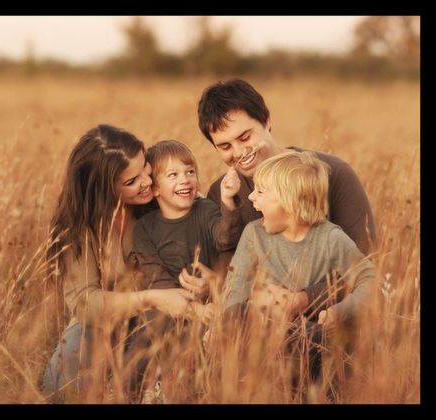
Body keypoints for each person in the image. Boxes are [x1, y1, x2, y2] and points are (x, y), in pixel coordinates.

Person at [41, 124, 203, 403]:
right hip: (104, 323)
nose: (146, 182)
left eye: (145, 168)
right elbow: (85, 303)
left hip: (166, 321)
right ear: (103, 189)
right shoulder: (79, 227)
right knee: (64, 385)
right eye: (130, 182)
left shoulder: (161, 201)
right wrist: (152, 298)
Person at [195, 78, 377, 319]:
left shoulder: (332, 173)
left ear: (267, 121)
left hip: (327, 321)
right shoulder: (222, 192)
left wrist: (303, 299)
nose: (238, 152)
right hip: (259, 323)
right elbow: (232, 274)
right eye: (225, 146)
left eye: (245, 137)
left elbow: (368, 265)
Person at [217, 151, 375, 390]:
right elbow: (236, 283)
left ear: (289, 202)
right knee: (238, 313)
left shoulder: (330, 238)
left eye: (260, 191)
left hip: (309, 337)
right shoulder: (254, 234)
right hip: (263, 335)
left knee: (304, 338)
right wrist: (224, 326)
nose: (251, 197)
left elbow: (369, 279)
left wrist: (341, 311)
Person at [133, 140, 243, 300]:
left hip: (212, 299)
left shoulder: (206, 209)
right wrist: (189, 309)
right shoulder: (144, 228)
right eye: (173, 175)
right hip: (171, 307)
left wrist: (227, 199)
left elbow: (226, 239)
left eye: (190, 172)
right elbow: (158, 281)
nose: (185, 179)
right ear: (155, 188)